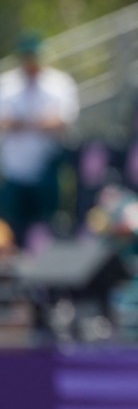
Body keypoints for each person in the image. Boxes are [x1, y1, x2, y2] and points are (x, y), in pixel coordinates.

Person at [0, 32, 79, 248]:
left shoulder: (58, 83)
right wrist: (37, 122)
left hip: (47, 167)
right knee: (13, 226)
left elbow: (62, 120)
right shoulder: (7, 84)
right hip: (15, 170)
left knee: (48, 224)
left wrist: (23, 123)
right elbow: (5, 122)